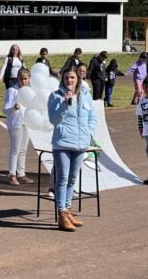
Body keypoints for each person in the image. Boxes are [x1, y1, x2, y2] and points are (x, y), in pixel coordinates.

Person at [48, 66, 96, 232]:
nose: (69, 81)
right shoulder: (55, 96)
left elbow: (92, 118)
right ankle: (61, 214)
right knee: (61, 179)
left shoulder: (85, 96)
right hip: (62, 143)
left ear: (78, 79)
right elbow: (53, 120)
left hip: (80, 143)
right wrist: (65, 106)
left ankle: (68, 211)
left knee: (72, 180)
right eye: (67, 78)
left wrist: (88, 133)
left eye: (72, 78)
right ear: (63, 79)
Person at [3, 68, 34, 186]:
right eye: (21, 79)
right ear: (17, 79)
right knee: (15, 149)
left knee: (23, 150)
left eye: (26, 79)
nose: (23, 81)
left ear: (29, 79)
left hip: (26, 122)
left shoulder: (30, 91)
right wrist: (14, 108)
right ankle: (12, 175)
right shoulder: (12, 91)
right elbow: (5, 110)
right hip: (15, 123)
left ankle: (21, 174)